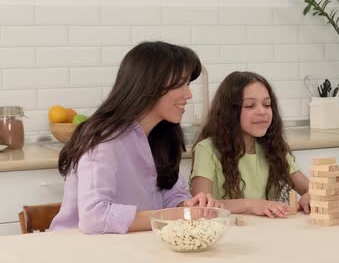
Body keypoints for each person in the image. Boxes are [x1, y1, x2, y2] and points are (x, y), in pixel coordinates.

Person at [50, 41, 219, 234]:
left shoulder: (160, 135)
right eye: (180, 84)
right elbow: (95, 217)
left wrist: (188, 206)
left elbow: (170, 192)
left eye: (188, 84)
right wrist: (173, 216)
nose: (188, 94)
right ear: (150, 84)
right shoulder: (103, 139)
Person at [190, 71, 310, 218]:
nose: (262, 112)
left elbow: (309, 189)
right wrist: (252, 204)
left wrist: (310, 196)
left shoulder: (273, 148)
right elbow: (201, 205)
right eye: (250, 105)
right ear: (230, 111)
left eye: (267, 104)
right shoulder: (207, 149)